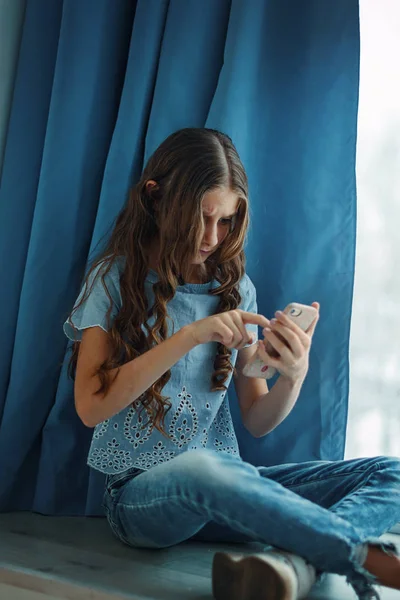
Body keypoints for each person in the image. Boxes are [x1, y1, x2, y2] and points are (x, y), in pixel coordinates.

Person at [64, 128, 400, 600]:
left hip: (225, 491)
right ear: (156, 199)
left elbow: (258, 421)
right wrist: (190, 336)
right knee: (206, 467)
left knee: (393, 473)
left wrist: (293, 374)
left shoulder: (234, 287)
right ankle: (365, 558)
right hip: (140, 500)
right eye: (201, 218)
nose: (211, 237)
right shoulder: (113, 280)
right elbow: (90, 406)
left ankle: (292, 567)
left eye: (225, 221)